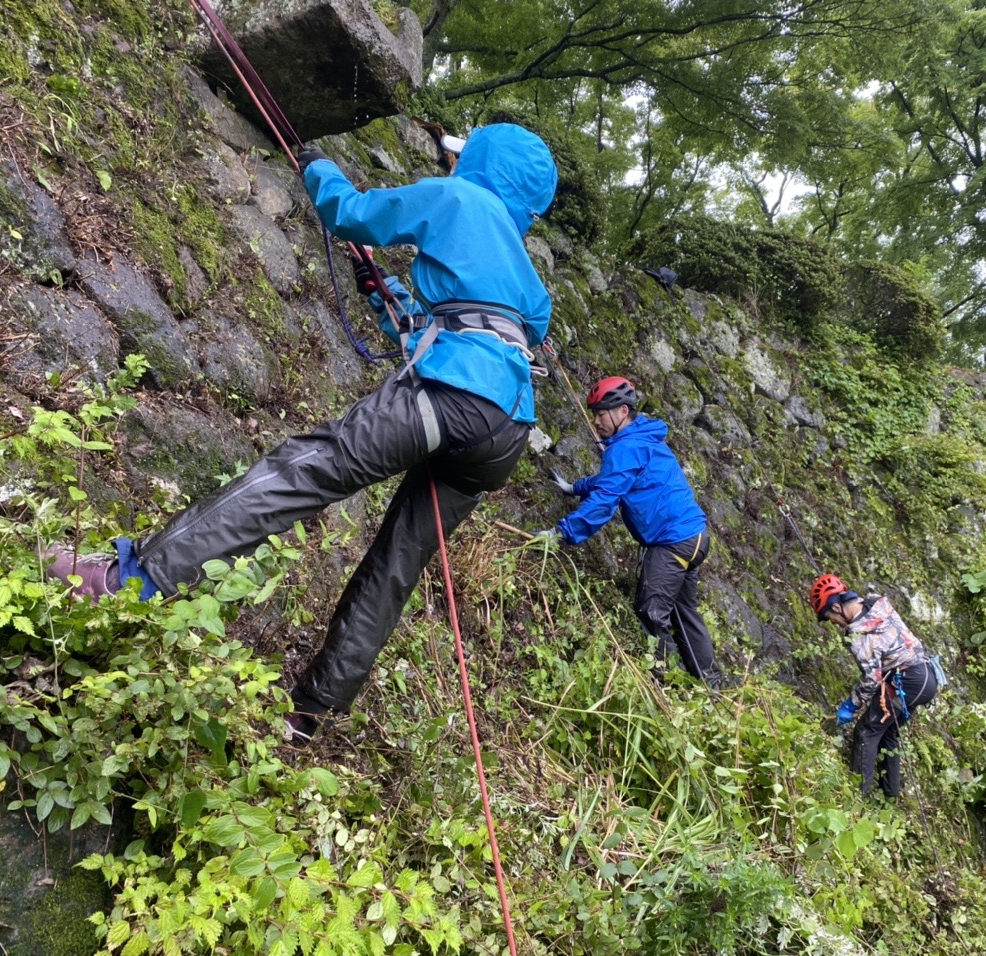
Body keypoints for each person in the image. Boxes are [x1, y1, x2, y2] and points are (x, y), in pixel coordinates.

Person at [44, 123, 558, 747]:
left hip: (454, 393)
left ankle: (132, 582)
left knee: (304, 471)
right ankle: (309, 716)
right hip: (504, 432)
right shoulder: (529, 278)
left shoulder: (462, 200)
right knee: (396, 565)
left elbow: (353, 214)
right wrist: (386, 293)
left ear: (481, 163)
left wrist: (317, 165)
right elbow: (475, 325)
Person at [538, 377, 722, 689]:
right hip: (693, 536)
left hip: (673, 541)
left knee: (652, 611)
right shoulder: (640, 441)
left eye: (601, 414)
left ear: (623, 411)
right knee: (684, 612)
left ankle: (668, 683)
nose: (596, 422)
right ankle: (712, 688)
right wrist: (574, 488)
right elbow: (612, 481)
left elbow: (606, 500)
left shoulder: (626, 448)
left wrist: (560, 533)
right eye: (594, 414)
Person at [810, 574, 937, 798]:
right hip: (926, 676)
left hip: (904, 680)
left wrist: (850, 705)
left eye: (831, 618)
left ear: (838, 608)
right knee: (888, 731)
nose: (834, 624)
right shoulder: (877, 601)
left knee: (866, 731)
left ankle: (858, 799)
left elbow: (871, 679)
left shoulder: (859, 637)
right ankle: (890, 794)